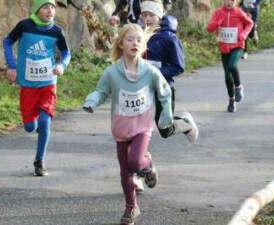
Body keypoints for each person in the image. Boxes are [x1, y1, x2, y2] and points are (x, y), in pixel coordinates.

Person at [83, 23, 195, 225]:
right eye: (130, 39)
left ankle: (148, 166)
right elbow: (101, 91)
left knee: (135, 162)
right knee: (125, 171)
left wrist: (166, 117)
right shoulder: (112, 72)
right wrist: (91, 102)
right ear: (121, 45)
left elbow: (165, 92)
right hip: (121, 128)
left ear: (143, 46)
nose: (134, 43)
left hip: (142, 126)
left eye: (138, 40)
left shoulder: (150, 72)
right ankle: (131, 207)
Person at [133, 0, 198, 194]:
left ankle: (185, 122)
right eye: (144, 15)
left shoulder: (169, 38)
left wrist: (156, 71)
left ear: (159, 17)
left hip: (163, 89)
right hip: (141, 91)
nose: (146, 19)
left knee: (164, 129)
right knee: (137, 130)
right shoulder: (138, 35)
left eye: (150, 15)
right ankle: (138, 174)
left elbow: (179, 66)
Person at [3, 0, 71, 176]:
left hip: (48, 83)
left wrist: (62, 65)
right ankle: (39, 127)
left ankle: (39, 161)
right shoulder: (24, 26)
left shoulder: (57, 31)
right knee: (29, 127)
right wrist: (12, 65)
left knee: (44, 120)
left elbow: (66, 53)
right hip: (27, 85)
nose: (50, 10)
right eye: (45, 7)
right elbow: (7, 41)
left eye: (53, 7)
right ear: (37, 9)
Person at [207, 0, 253, 112]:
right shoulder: (218, 12)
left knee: (232, 66)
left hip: (237, 45)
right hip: (224, 48)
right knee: (227, 76)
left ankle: (238, 86)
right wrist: (216, 24)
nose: (229, 2)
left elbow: (249, 23)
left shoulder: (239, 12)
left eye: (232, 0)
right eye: (227, 0)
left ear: (235, 1)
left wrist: (243, 34)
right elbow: (209, 29)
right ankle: (231, 100)